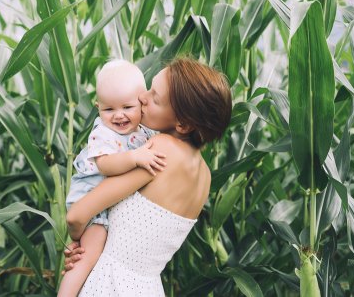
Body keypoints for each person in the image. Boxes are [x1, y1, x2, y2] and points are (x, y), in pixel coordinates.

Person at [63, 57, 232, 296]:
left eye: (154, 96)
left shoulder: (160, 149)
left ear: (182, 124)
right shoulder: (204, 176)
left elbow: (77, 215)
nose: (142, 97)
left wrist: (78, 245)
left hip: (110, 285)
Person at [57, 59, 167, 297]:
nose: (118, 116)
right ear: (98, 108)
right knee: (88, 255)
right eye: (108, 109)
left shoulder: (145, 132)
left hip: (105, 202)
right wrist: (135, 158)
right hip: (90, 198)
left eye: (127, 107)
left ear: (141, 103)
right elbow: (105, 165)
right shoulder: (103, 133)